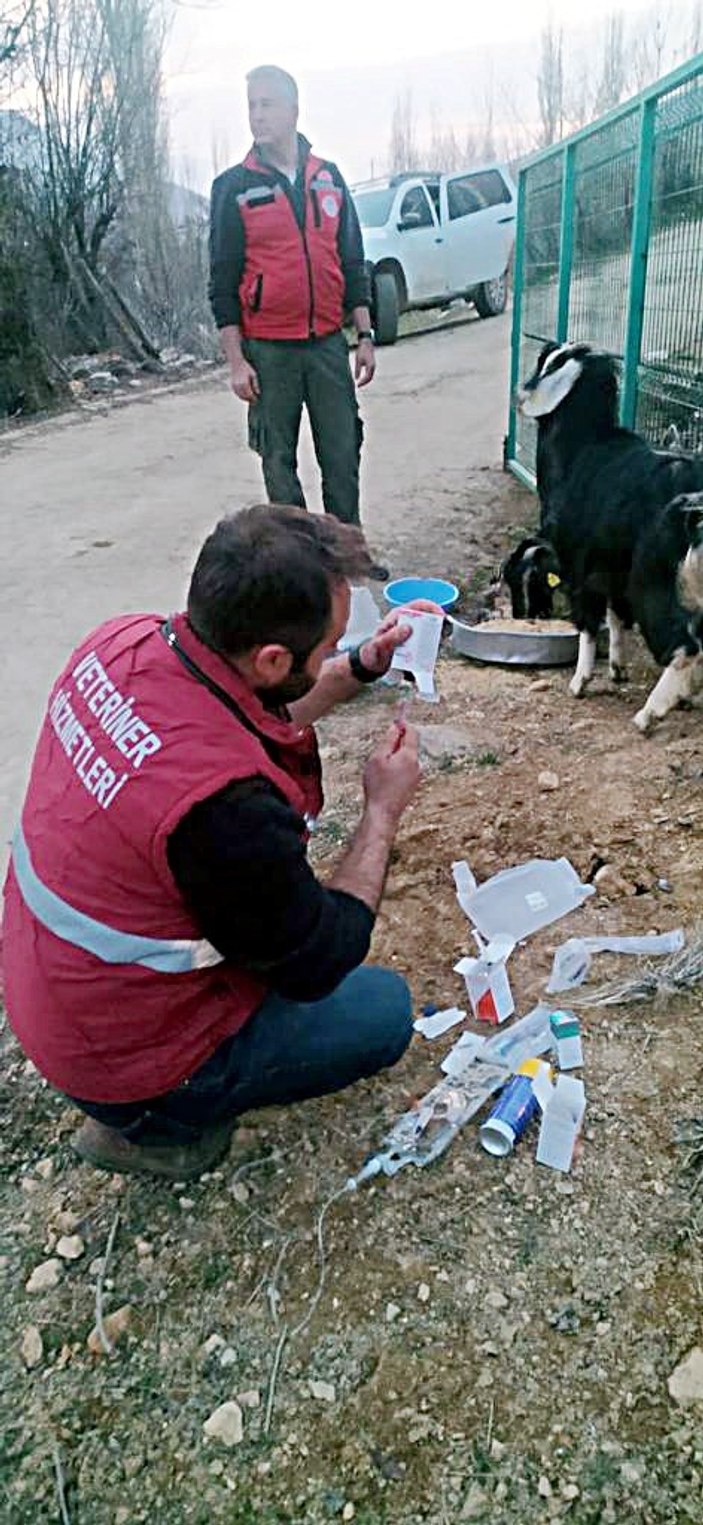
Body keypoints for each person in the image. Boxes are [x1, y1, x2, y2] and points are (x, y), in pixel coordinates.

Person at [1, 506, 432, 1181]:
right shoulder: (224, 813)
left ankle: (134, 1093)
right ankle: (158, 1128)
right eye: (326, 647)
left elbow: (252, 707)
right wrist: (381, 810)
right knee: (381, 1011)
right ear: (270, 658)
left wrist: (358, 667)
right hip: (121, 1063)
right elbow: (318, 959)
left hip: (55, 990)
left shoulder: (124, 644)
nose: (331, 657)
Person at [209, 65, 388, 577]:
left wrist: (365, 336)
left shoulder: (327, 178)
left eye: (267, 104)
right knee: (278, 463)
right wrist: (236, 362)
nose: (258, 115)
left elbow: (352, 260)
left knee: (342, 450)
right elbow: (222, 281)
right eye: (251, 105)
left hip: (328, 345)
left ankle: (348, 556)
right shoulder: (235, 187)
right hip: (269, 351)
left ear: (293, 110)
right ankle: (300, 567)